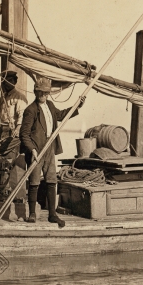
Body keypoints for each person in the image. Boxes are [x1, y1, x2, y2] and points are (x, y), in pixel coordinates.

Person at [20, 77, 84, 227]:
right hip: (36, 150)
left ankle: (52, 215)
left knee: (51, 181)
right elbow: (24, 134)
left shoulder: (49, 104)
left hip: (50, 147)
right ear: (36, 92)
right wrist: (32, 150)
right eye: (41, 92)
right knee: (34, 182)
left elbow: (61, 116)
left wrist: (77, 106)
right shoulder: (30, 110)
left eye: (46, 93)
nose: (43, 95)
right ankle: (32, 214)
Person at [0, 71, 27, 159]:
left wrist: (18, 128)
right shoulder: (3, 97)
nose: (7, 83)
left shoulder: (19, 97)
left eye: (10, 80)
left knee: (9, 156)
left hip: (12, 131)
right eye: (5, 81)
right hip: (3, 130)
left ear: (15, 82)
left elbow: (22, 114)